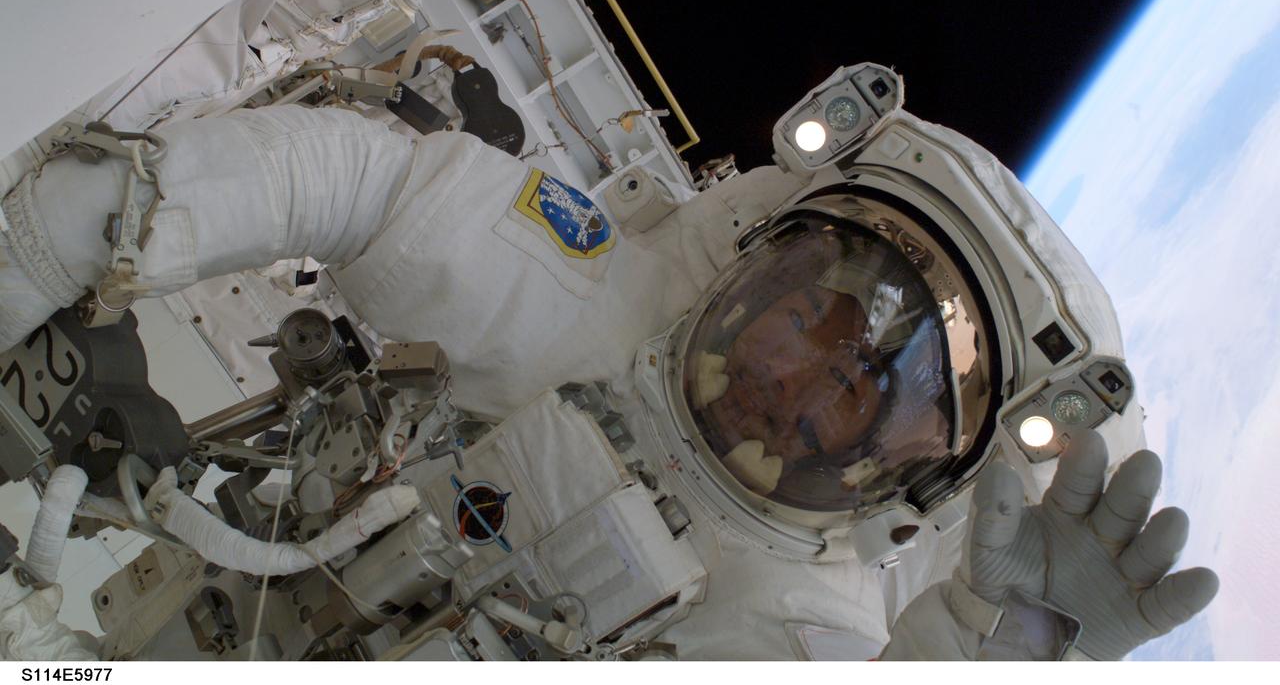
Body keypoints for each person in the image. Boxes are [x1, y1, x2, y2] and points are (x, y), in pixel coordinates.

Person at [0, 64, 1216, 660]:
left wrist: (988, 655)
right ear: (761, 265)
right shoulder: (586, 307)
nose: (793, 384)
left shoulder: (798, 617)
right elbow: (360, 180)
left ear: (912, 479)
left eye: (861, 388)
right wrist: (66, 248)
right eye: (814, 317)